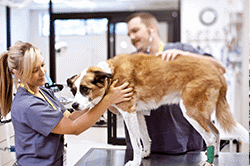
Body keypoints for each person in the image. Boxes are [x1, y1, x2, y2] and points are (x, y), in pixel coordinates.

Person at [0, 41, 133, 166]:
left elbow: (69, 117)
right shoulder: (28, 105)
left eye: (42, 64)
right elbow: (74, 127)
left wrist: (94, 99)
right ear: (17, 73)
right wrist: (108, 100)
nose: (43, 72)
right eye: (34, 70)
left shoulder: (44, 92)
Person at [123, 12, 226, 155]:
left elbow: (220, 68)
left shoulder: (182, 51)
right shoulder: (129, 62)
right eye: (129, 34)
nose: (132, 38)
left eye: (135, 31)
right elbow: (118, 104)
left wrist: (186, 56)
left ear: (151, 28)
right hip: (141, 153)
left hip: (184, 149)